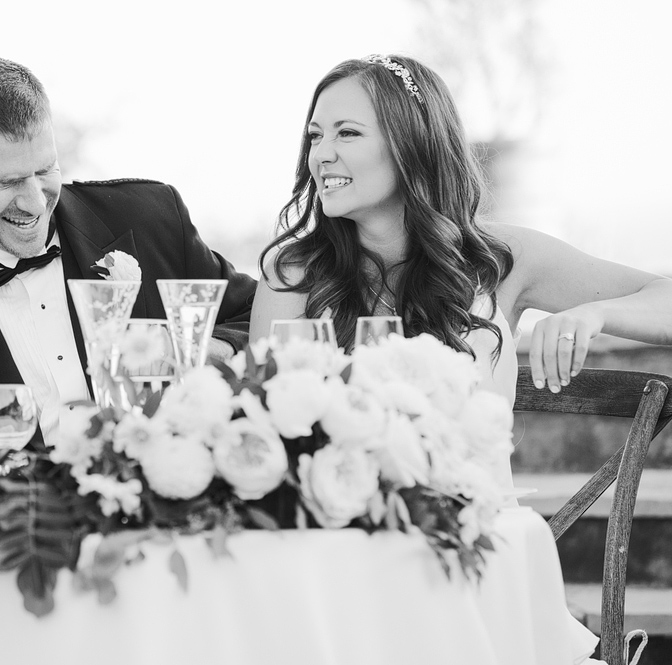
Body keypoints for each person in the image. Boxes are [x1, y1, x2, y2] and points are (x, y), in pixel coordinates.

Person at [252, 54, 672, 664]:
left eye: (347, 133)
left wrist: (595, 314)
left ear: (411, 146)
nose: (321, 154)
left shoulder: (502, 258)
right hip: (336, 566)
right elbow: (268, 430)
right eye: (315, 135)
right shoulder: (292, 273)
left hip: (474, 561)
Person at [0, 55, 257, 460]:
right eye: (9, 182)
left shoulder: (152, 217)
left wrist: (206, 353)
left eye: (46, 170)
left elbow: (259, 317)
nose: (34, 202)